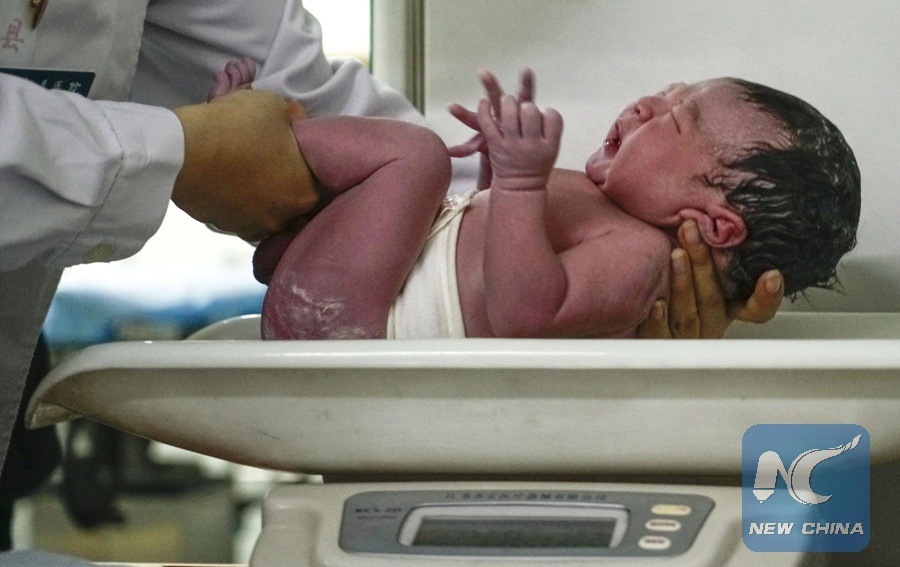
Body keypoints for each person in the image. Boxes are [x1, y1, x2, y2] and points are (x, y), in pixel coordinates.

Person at [250, 66, 843, 340]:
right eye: (665, 92)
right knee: (420, 178)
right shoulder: (607, 214)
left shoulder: (639, 257)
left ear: (714, 223)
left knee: (419, 156)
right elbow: (485, 248)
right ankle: (255, 171)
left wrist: (517, 183)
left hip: (348, 323)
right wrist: (495, 173)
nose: (644, 104)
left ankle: (253, 135)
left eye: (674, 119)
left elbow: (523, 315)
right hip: (349, 294)